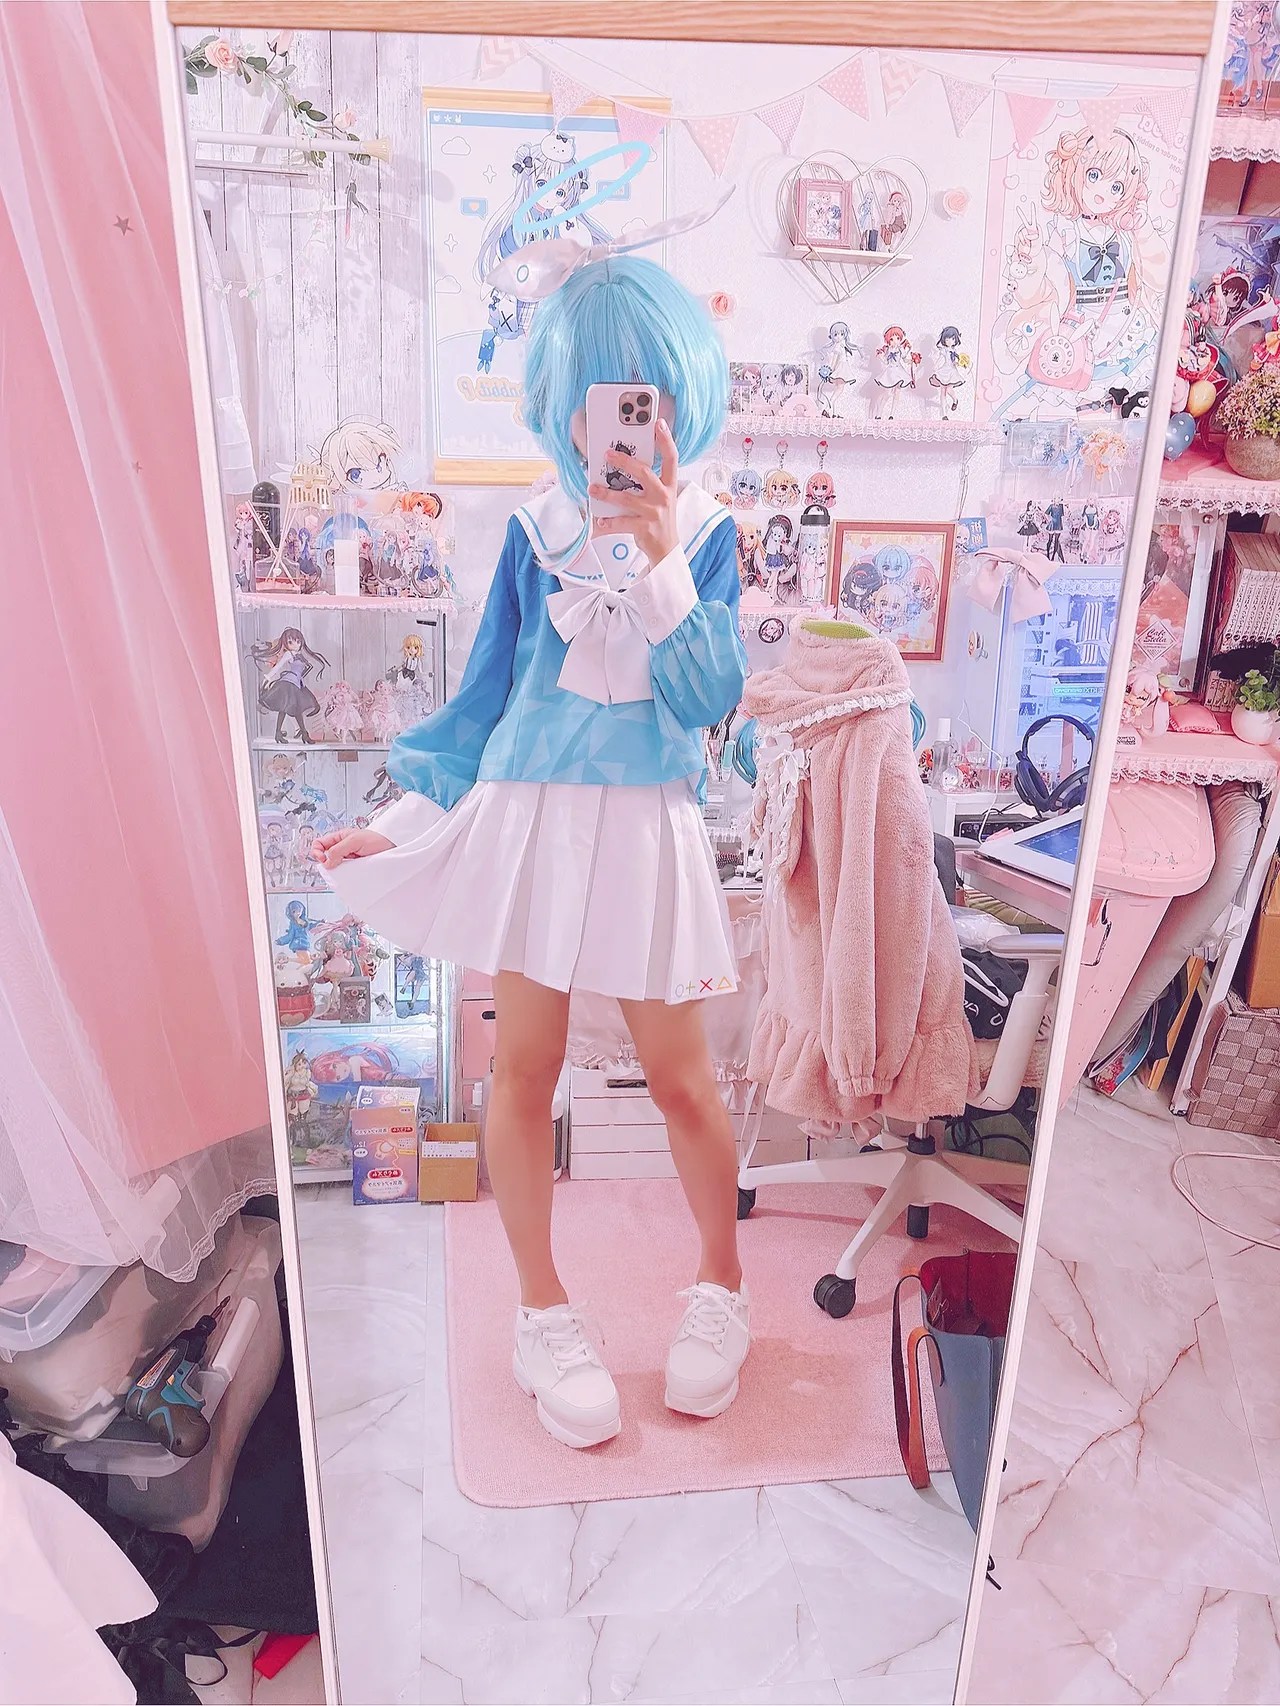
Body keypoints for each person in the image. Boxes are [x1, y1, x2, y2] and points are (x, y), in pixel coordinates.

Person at [312, 255, 751, 1451]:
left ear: (681, 401)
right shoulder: (527, 530)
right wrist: (399, 822)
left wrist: (662, 564)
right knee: (523, 1069)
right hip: (532, 820)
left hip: (646, 818)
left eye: (647, 399)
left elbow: (710, 700)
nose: (623, 426)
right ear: (562, 403)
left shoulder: (710, 531)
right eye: (604, 399)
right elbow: (482, 703)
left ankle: (721, 1281)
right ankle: (541, 1311)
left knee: (681, 1077)